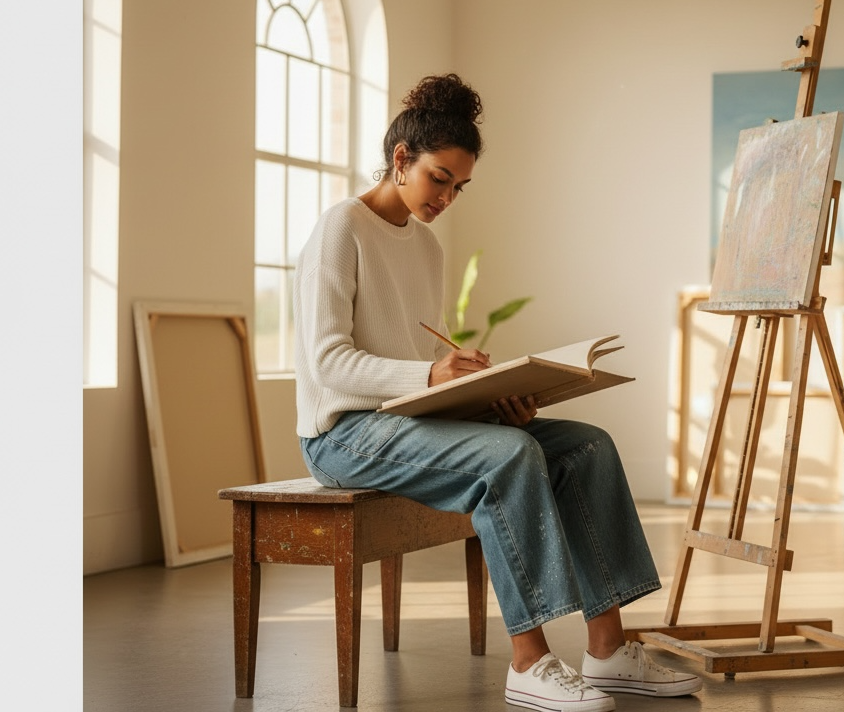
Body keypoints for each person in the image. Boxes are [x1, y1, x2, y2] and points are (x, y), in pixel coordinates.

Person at [293, 73, 702, 711]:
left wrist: (481, 391)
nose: (448, 197)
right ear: (401, 159)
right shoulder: (339, 230)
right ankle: (529, 662)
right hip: (341, 435)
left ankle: (608, 651)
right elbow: (328, 365)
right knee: (507, 457)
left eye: (459, 187)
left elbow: (421, 358)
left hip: (402, 421)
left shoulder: (426, 249)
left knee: (587, 446)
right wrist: (431, 375)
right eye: (439, 178)